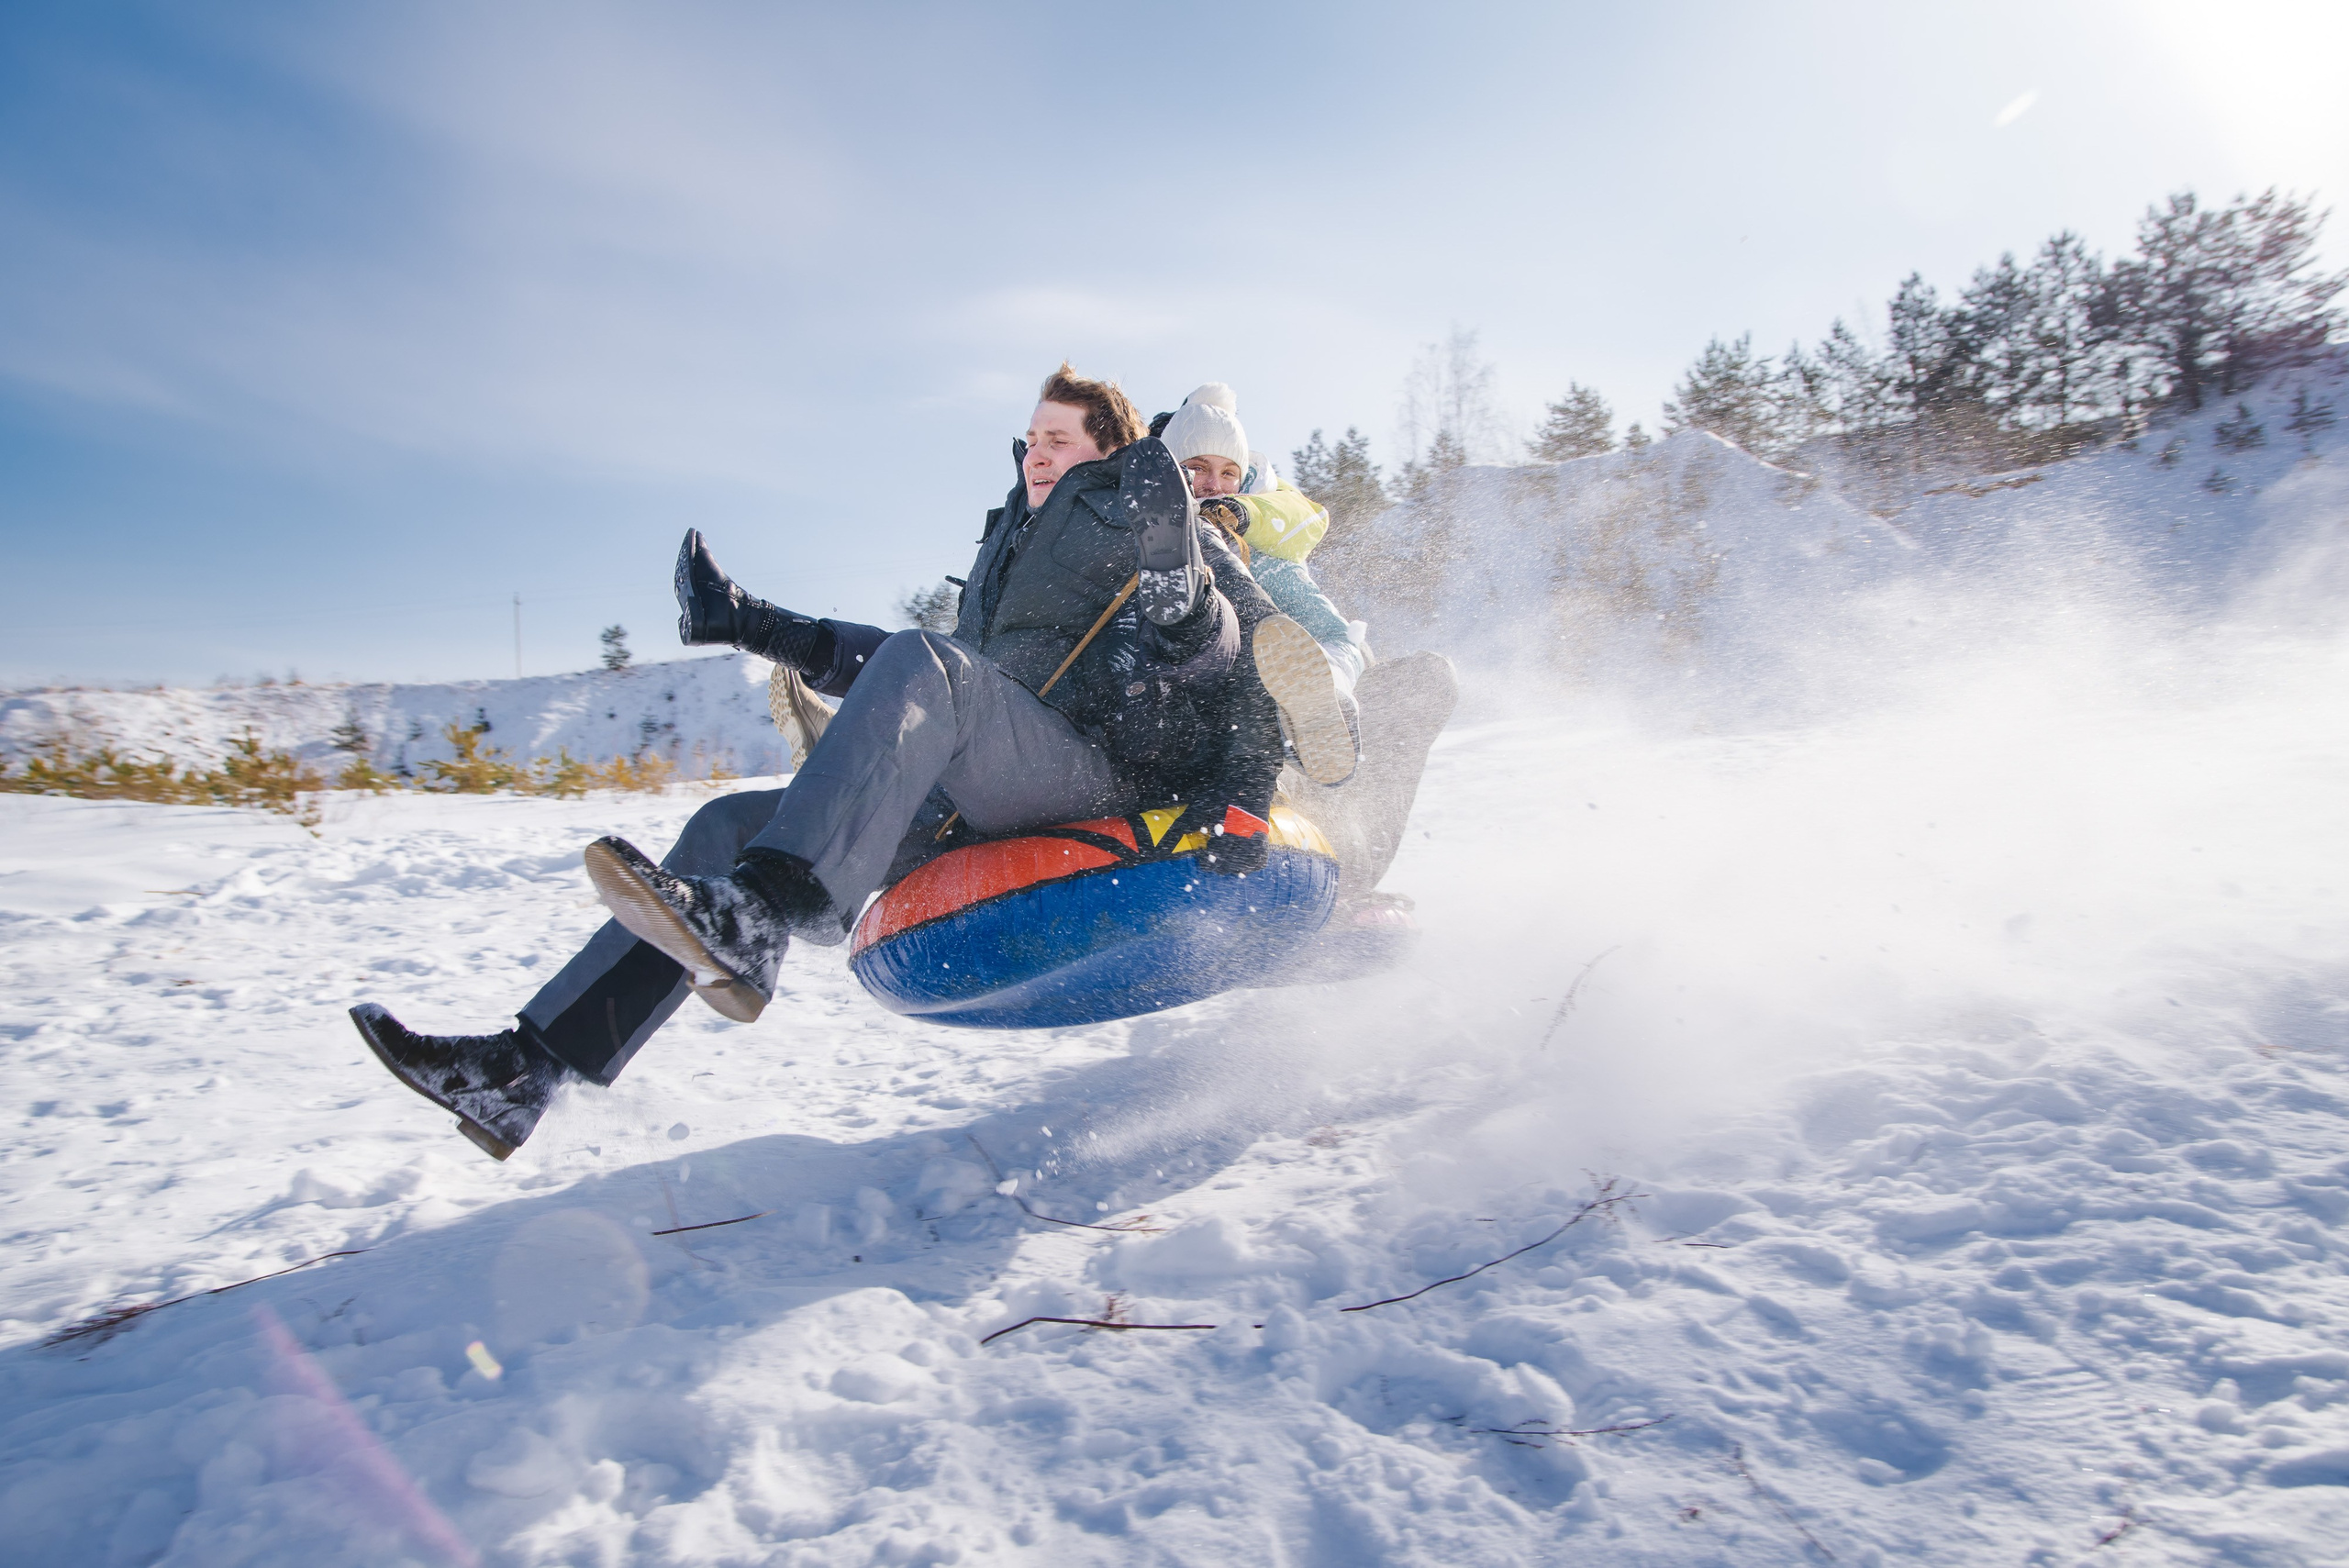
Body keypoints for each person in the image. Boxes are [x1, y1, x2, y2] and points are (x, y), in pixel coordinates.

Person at [351, 364, 1292, 1161]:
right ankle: (525, 1068)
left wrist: (1240, 779)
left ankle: (760, 916)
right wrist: (758, 626)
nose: (1036, 451)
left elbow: (1256, 657)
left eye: (1058, 436)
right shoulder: (1015, 540)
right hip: (989, 781)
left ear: (1108, 447)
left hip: (1097, 777)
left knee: (929, 665)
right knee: (729, 827)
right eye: (1030, 436)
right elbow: (913, 684)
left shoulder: (1157, 512)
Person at [1153, 384, 1460, 909]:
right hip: (1232, 724)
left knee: (1429, 679)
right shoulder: (1160, 536)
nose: (1212, 484)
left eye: (1228, 471)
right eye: (1197, 468)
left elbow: (1306, 525)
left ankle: (1350, 874)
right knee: (1263, 682)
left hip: (1313, 688)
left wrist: (1332, 676)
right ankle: (1332, 864)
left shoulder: (1259, 513)